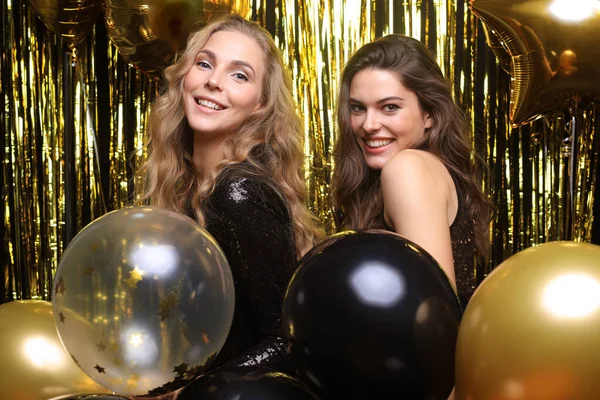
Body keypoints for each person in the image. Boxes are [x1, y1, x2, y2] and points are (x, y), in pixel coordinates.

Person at [139, 14, 323, 374]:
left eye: (239, 75)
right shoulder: (186, 186)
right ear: (185, 78)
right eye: (205, 64)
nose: (213, 81)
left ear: (260, 105)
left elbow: (287, 342)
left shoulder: (236, 194)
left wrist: (190, 391)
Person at [331, 34, 495, 309]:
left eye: (390, 107)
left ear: (429, 114)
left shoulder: (407, 168)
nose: (369, 124)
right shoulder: (427, 169)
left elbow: (433, 312)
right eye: (358, 108)